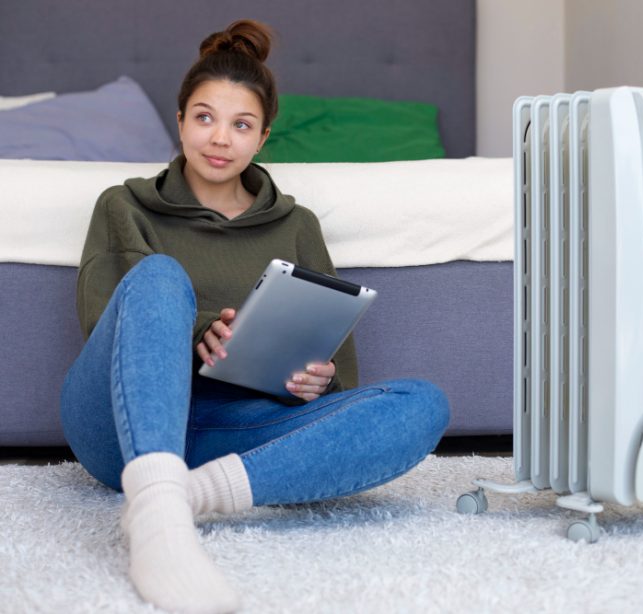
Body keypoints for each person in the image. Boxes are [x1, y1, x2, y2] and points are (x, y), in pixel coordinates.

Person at [60, 19, 450, 614]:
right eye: (204, 117)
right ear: (180, 121)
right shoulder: (125, 204)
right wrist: (201, 331)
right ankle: (160, 521)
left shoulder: (298, 225)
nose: (220, 139)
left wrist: (317, 380)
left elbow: (340, 366)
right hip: (115, 427)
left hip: (234, 430)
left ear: (263, 137)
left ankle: (180, 499)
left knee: (423, 404)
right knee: (159, 276)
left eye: (241, 125)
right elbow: (105, 322)